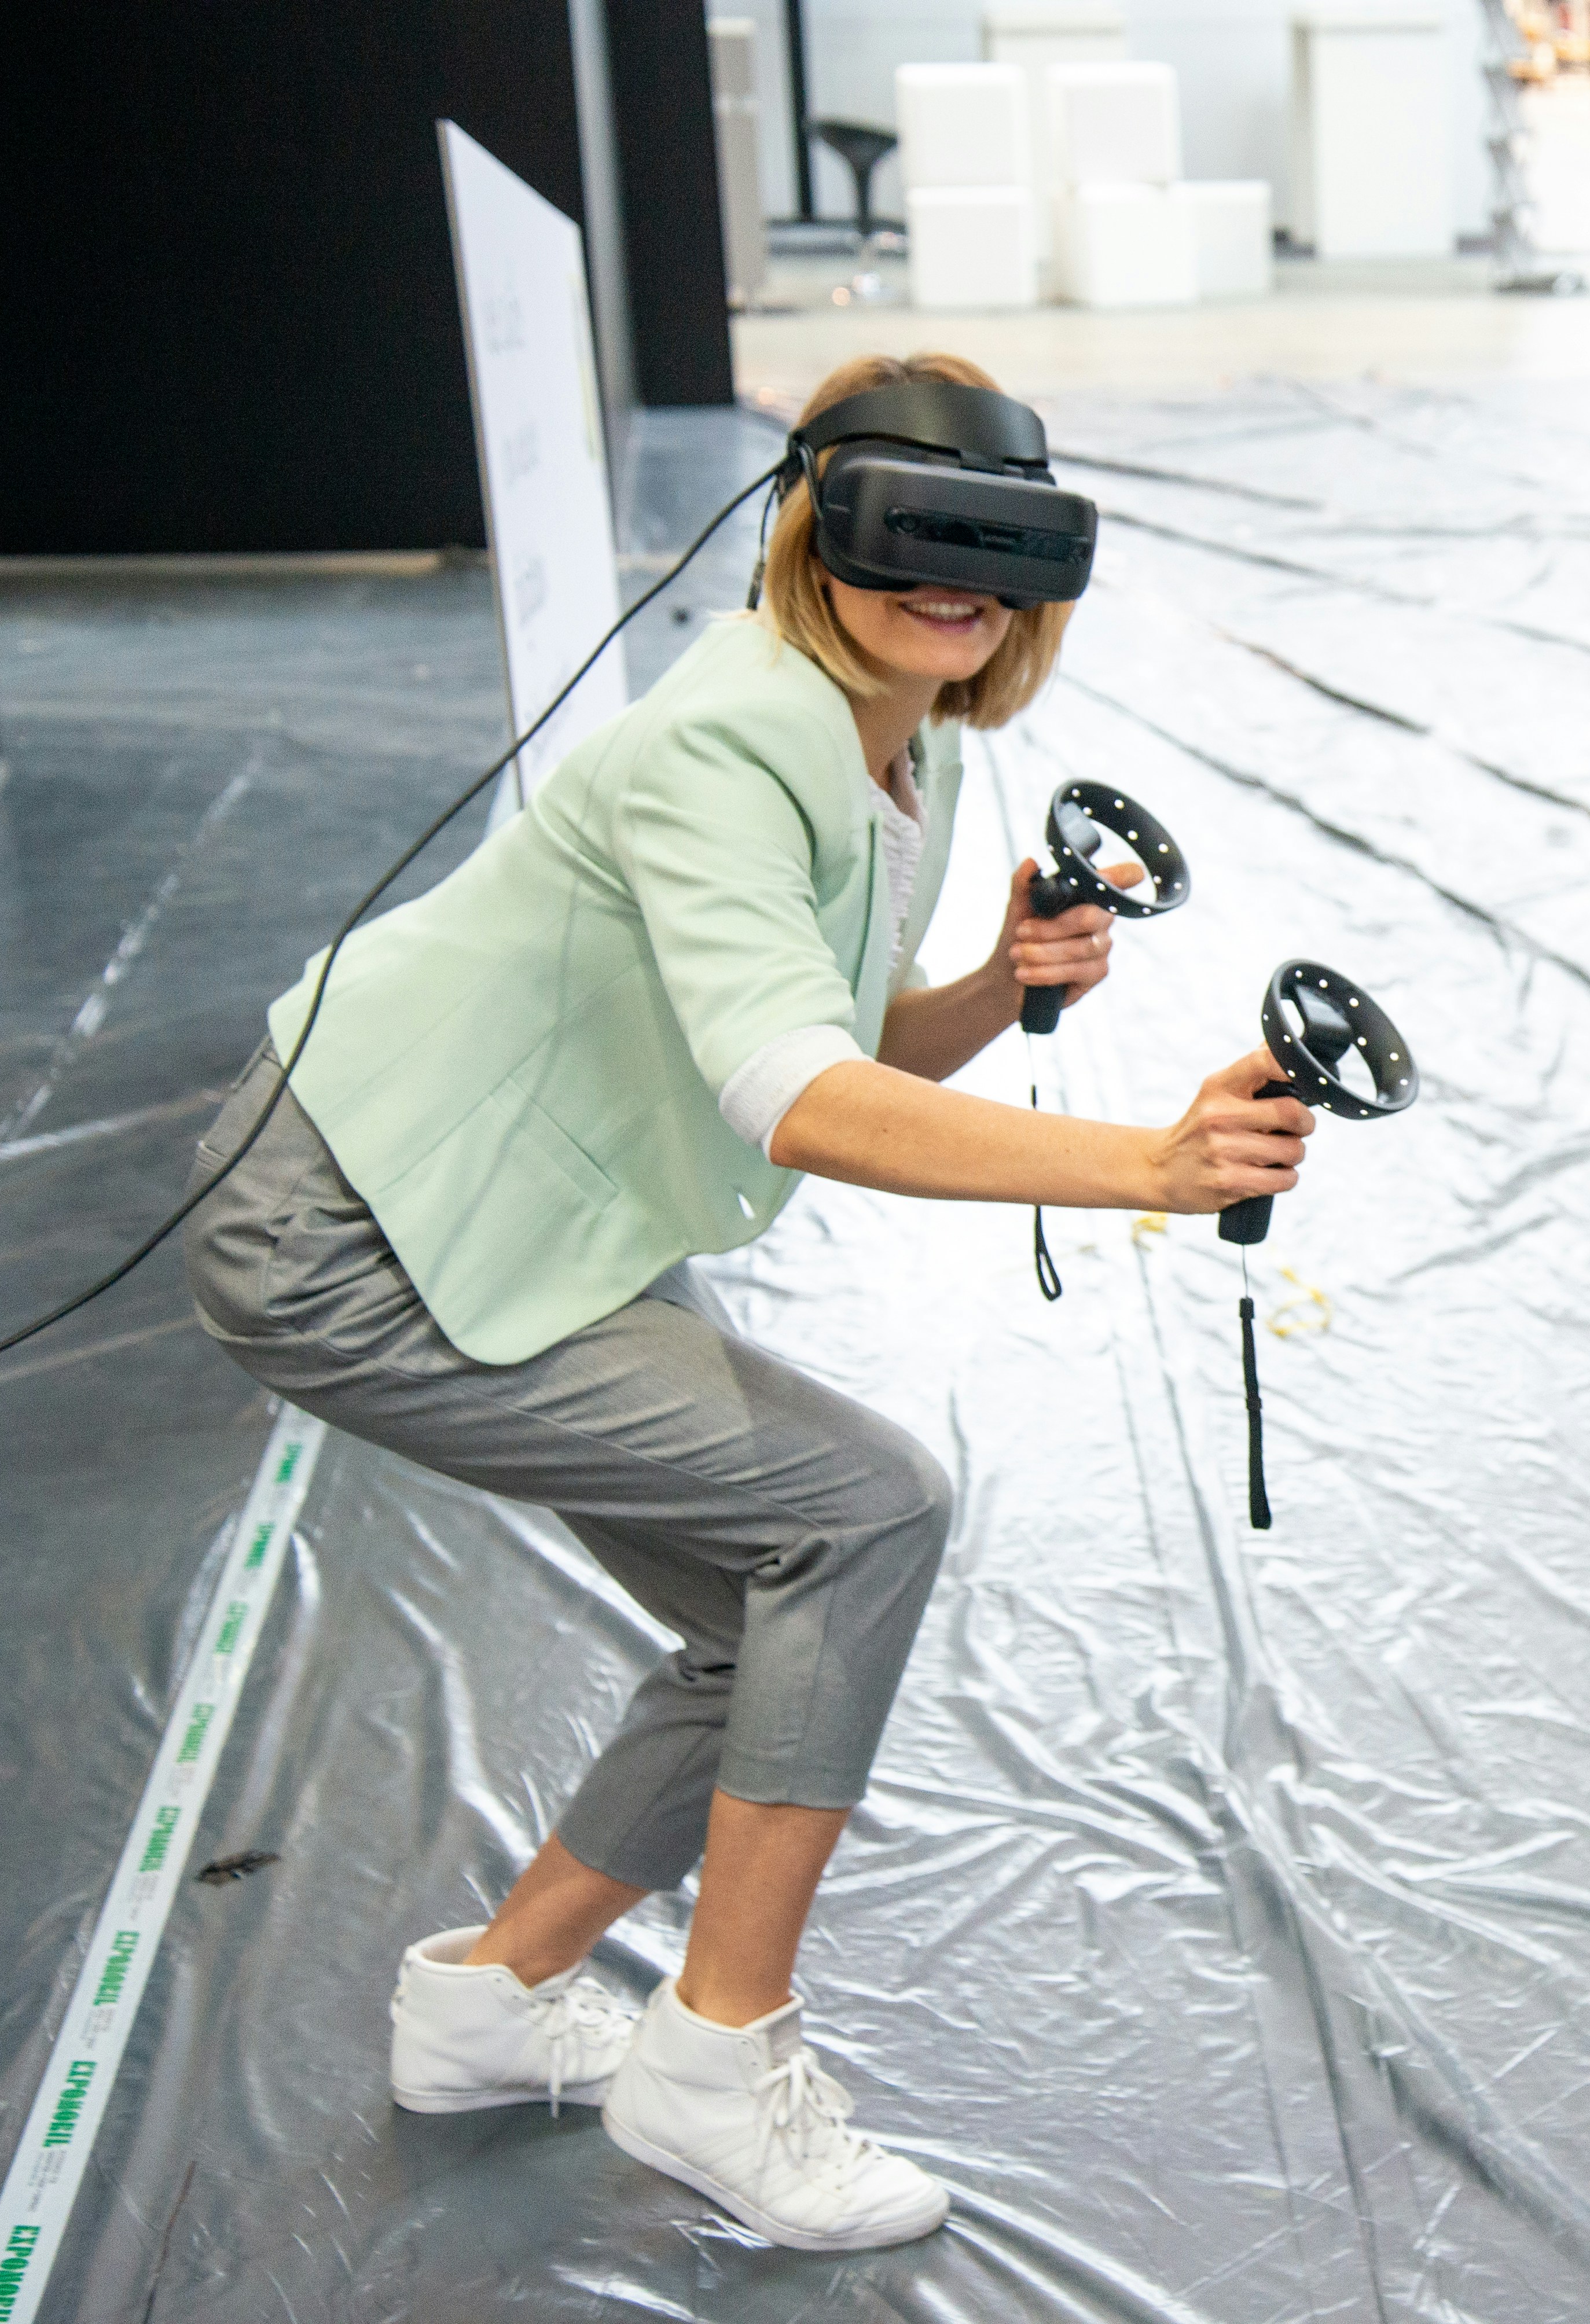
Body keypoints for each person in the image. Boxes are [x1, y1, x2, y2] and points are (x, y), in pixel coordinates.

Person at [182, 350, 1314, 2253]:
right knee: (860, 1508)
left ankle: (486, 2002)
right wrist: (1143, 1166)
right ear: (812, 523)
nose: (952, 583)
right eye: (909, 531)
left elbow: (828, 1024)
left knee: (768, 1610)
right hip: (357, 1224)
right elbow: (783, 1093)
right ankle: (716, 2052)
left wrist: (989, 985)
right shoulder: (728, 739)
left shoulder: (909, 735)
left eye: (998, 548)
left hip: (523, 1216)